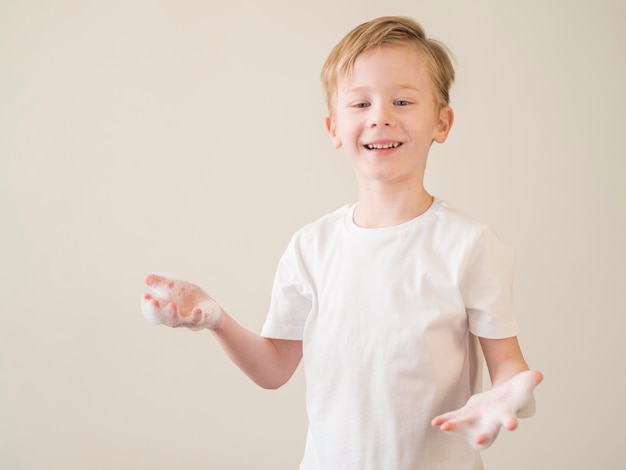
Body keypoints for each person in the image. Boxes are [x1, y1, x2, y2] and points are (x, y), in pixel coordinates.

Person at [141, 16, 543, 470]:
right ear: (334, 128)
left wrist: (503, 394)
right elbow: (273, 369)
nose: (380, 116)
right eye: (360, 103)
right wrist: (215, 319)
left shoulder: (469, 245)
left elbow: (508, 361)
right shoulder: (311, 247)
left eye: (403, 100)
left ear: (442, 122)